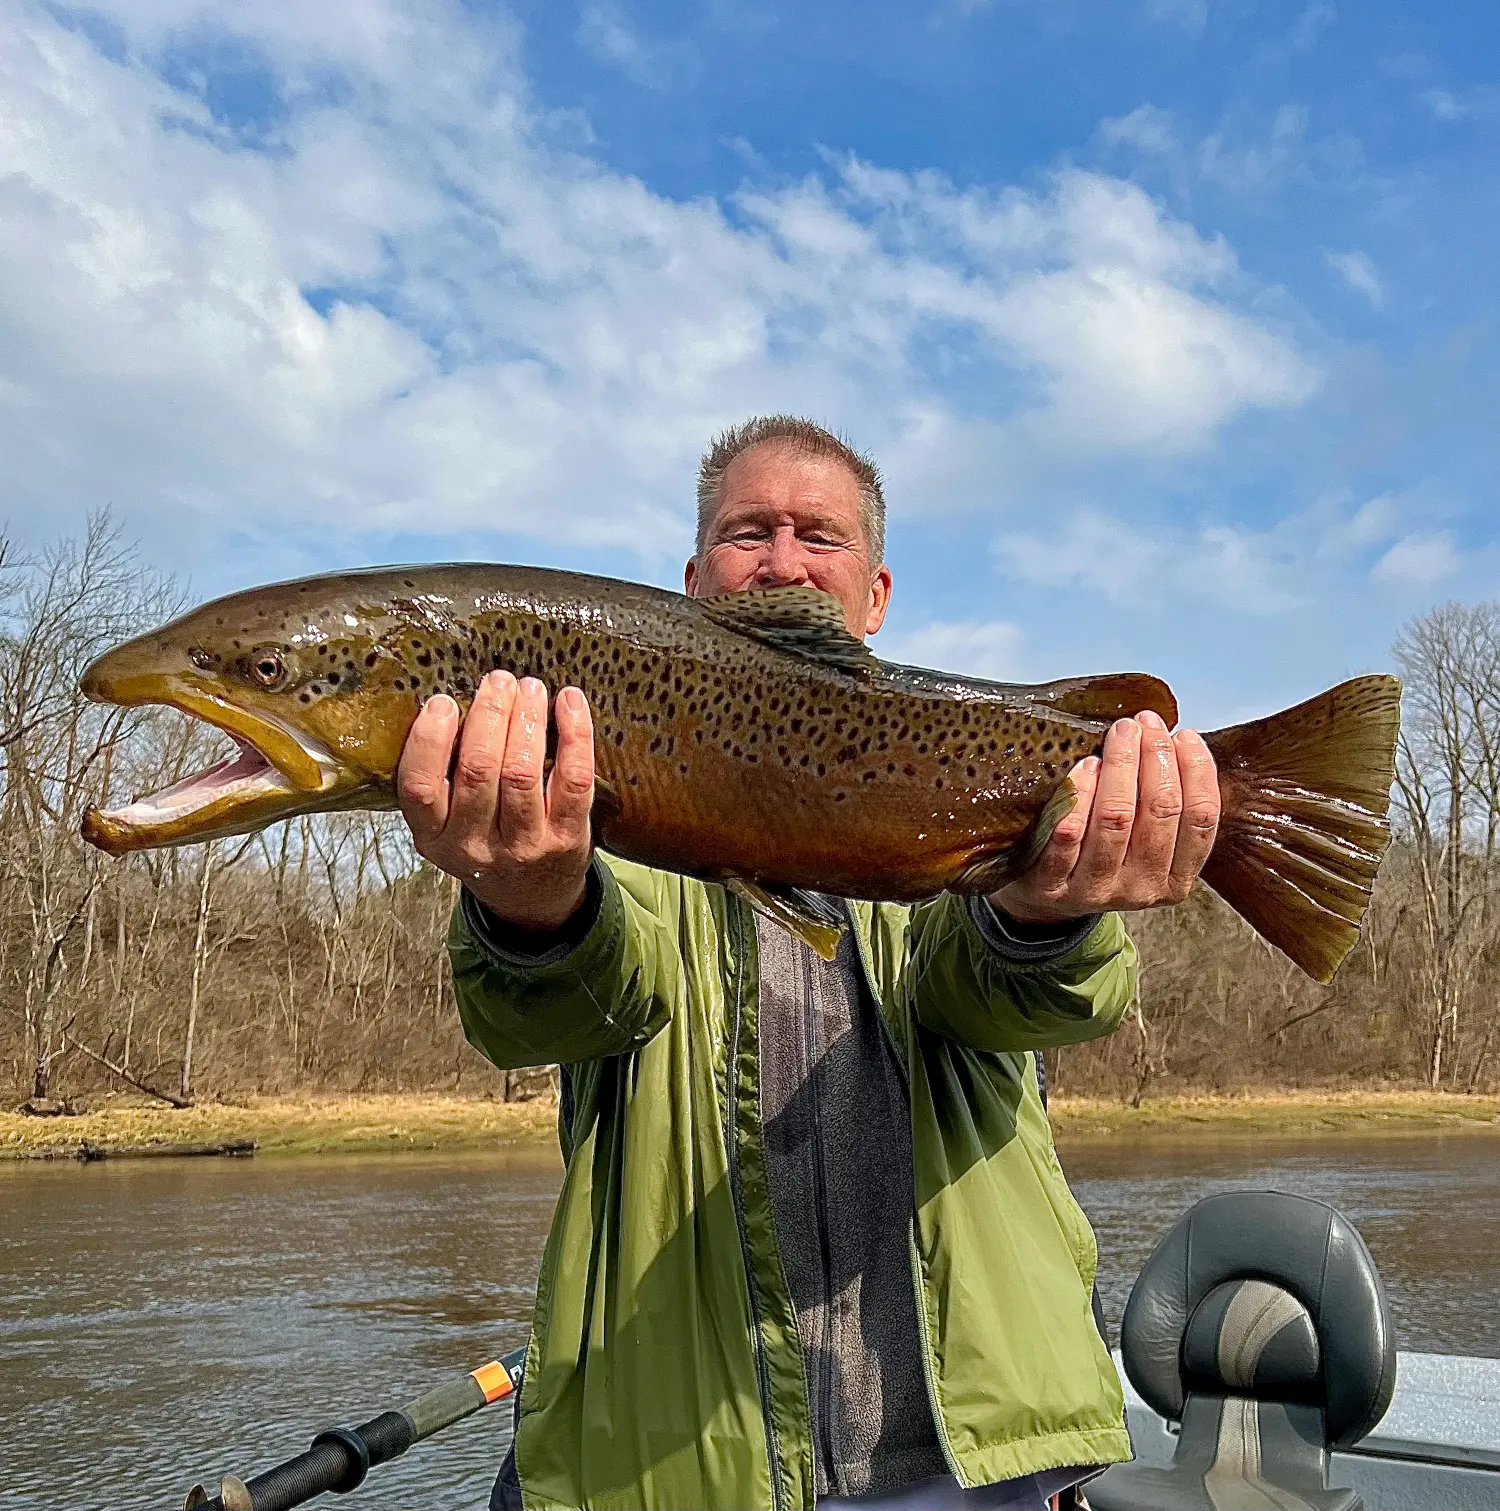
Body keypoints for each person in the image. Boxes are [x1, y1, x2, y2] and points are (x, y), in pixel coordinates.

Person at [396, 416, 1221, 1511]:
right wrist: (532, 898)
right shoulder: (605, 815)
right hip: (675, 1463)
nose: (782, 558)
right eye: (749, 531)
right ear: (693, 579)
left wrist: (1040, 911)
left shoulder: (930, 794)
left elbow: (990, 994)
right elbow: (558, 1012)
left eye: (817, 536)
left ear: (875, 594)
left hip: (969, 1458)